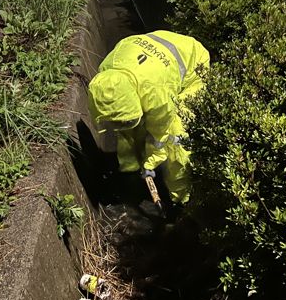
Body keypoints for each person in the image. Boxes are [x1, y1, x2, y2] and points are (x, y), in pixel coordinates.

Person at [88, 30, 210, 205]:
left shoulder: (156, 96)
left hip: (193, 65)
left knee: (176, 138)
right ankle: (130, 170)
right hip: (160, 52)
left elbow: (159, 138)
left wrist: (150, 163)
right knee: (128, 126)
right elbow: (120, 114)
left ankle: (180, 198)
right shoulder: (107, 75)